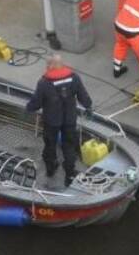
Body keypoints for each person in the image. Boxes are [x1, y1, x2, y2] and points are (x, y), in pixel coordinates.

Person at [26, 55, 93, 186]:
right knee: (69, 146)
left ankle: (51, 169)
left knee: (50, 145)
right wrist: (88, 106)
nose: (46, 67)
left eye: (47, 65)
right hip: (69, 119)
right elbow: (83, 95)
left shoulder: (44, 82)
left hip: (51, 120)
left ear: (51, 65)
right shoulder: (74, 78)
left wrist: (29, 108)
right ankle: (69, 174)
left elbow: (36, 102)